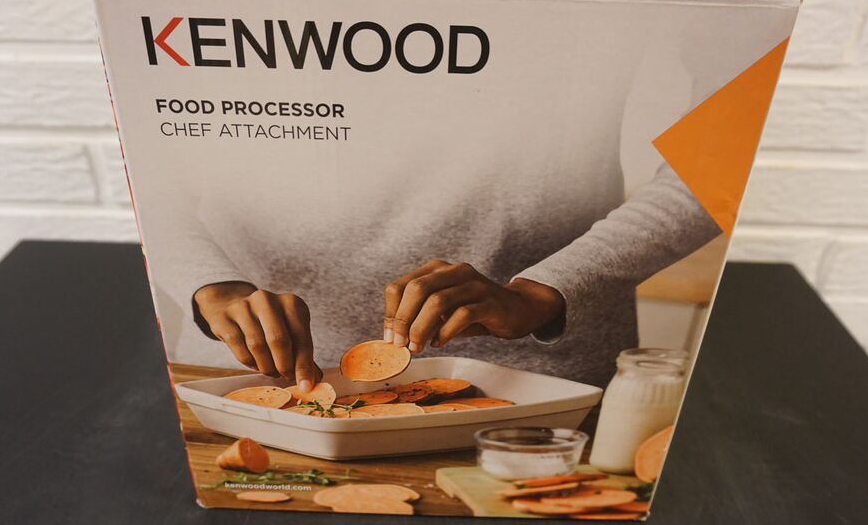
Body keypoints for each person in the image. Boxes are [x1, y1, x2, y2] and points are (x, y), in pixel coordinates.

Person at [182, 157, 719, 393]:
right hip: (245, 382)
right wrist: (210, 282)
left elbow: (724, 151)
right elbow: (150, 163)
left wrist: (548, 289)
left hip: (541, 392)